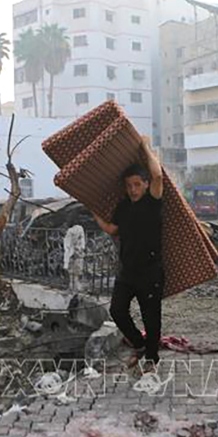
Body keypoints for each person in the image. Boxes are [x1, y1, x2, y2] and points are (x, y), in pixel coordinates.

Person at [92, 136, 164, 368]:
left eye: (137, 184)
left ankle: (152, 357)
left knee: (150, 317)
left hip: (151, 270)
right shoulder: (124, 206)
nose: (133, 190)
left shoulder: (153, 201)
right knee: (117, 310)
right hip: (128, 271)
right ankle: (138, 343)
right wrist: (93, 211)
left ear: (145, 184)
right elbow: (112, 229)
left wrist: (145, 146)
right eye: (129, 185)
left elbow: (158, 175)